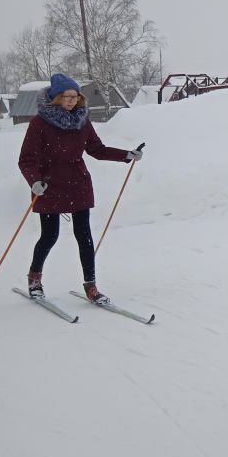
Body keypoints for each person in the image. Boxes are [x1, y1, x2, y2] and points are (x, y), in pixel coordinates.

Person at [17, 73, 143, 305]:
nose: (71, 100)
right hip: (48, 185)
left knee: (84, 234)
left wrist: (126, 155)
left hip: (78, 183)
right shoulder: (40, 123)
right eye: (66, 96)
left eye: (74, 96)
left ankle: (91, 286)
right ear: (56, 97)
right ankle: (34, 279)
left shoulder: (82, 120)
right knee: (49, 235)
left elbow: (97, 149)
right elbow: (26, 159)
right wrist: (34, 181)